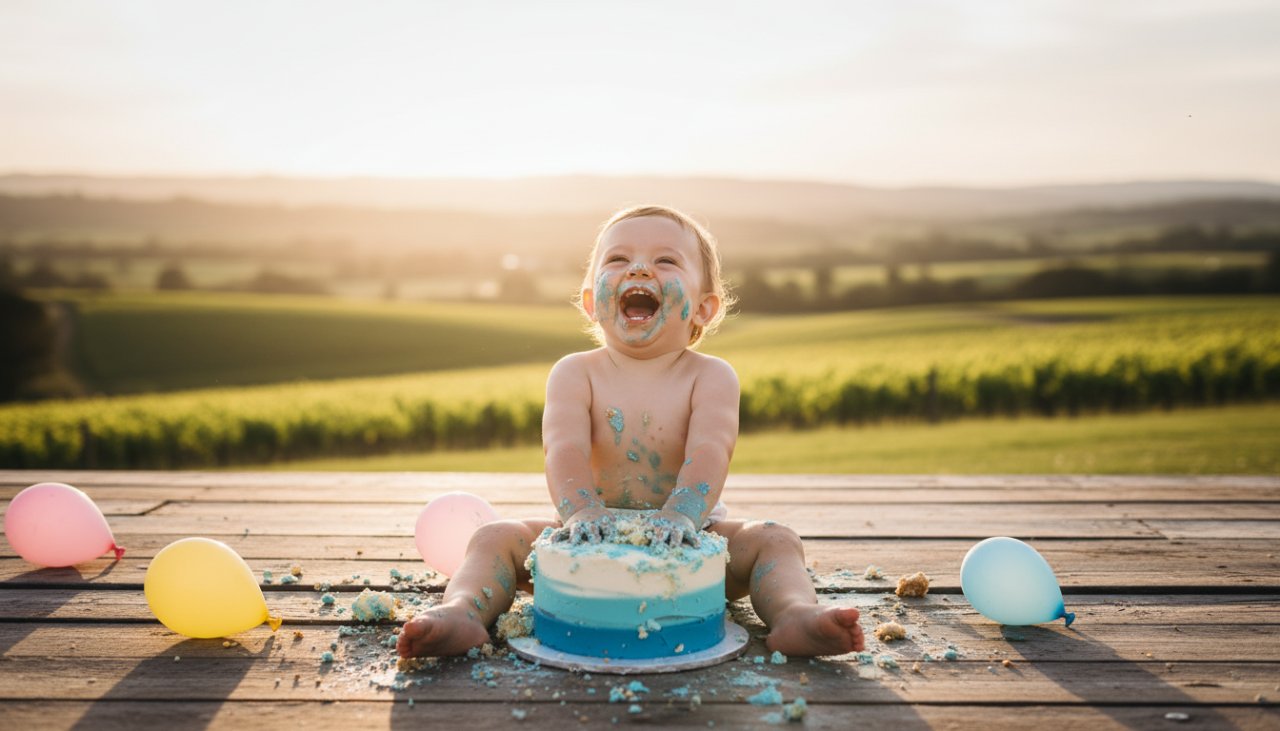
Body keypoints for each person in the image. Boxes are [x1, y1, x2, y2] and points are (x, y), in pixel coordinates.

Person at [397, 204, 864, 658]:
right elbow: (563, 449)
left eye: (666, 260)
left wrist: (682, 516)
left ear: (703, 308)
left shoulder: (710, 376)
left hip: (691, 544)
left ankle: (794, 614)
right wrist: (581, 512)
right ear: (590, 302)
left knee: (777, 539)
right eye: (618, 259)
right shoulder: (575, 373)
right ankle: (463, 611)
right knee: (493, 537)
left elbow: (711, 450)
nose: (639, 268)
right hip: (586, 539)